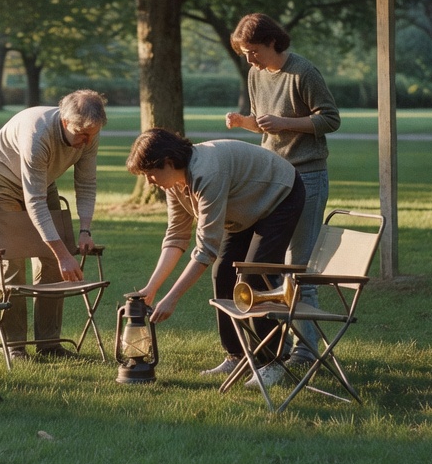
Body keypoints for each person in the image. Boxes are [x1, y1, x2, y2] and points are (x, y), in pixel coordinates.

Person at [129, 128, 305, 388]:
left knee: (255, 277)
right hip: (243, 206)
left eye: (149, 173)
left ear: (167, 162)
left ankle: (272, 361)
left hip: (280, 195)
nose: (148, 182)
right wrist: (151, 288)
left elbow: (206, 249)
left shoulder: (207, 174)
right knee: (223, 273)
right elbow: (177, 236)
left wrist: (172, 298)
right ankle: (237, 355)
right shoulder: (175, 183)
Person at [225, 13, 340, 367]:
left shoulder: (303, 73)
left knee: (298, 268)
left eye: (253, 51)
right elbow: (265, 126)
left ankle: (305, 353)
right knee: (268, 266)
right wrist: (243, 122)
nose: (250, 59)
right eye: (245, 53)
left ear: (273, 42)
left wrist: (284, 122)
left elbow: (330, 119)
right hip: (273, 181)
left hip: (307, 176)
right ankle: (275, 348)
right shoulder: (255, 75)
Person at [0, 90, 106, 360]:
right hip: (2, 177)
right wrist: (64, 254)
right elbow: (35, 202)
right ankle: (14, 346)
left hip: (42, 179)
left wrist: (85, 230)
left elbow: (86, 183)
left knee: (52, 261)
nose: (87, 141)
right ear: (65, 122)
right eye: (82, 134)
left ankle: (49, 344)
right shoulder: (38, 135)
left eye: (92, 135)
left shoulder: (88, 132)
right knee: (11, 260)